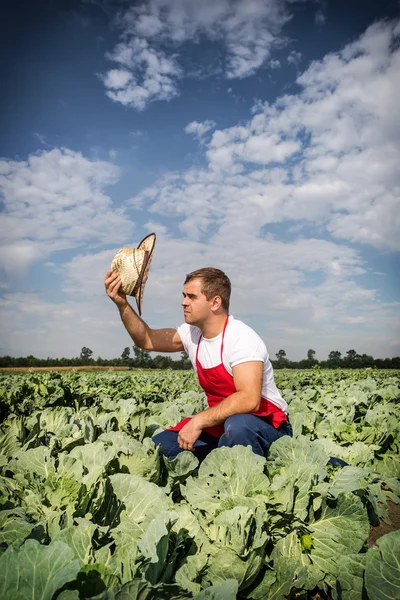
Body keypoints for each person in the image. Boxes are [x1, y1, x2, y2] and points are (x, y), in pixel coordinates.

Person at [104, 266, 292, 462]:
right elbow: (146, 339)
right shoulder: (191, 334)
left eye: (191, 297)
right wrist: (122, 303)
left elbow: (249, 399)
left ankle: (256, 465)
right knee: (160, 447)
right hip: (221, 425)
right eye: (184, 295)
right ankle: (220, 458)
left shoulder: (241, 338)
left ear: (215, 302)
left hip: (266, 425)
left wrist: (198, 421)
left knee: (238, 427)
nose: (183, 302)